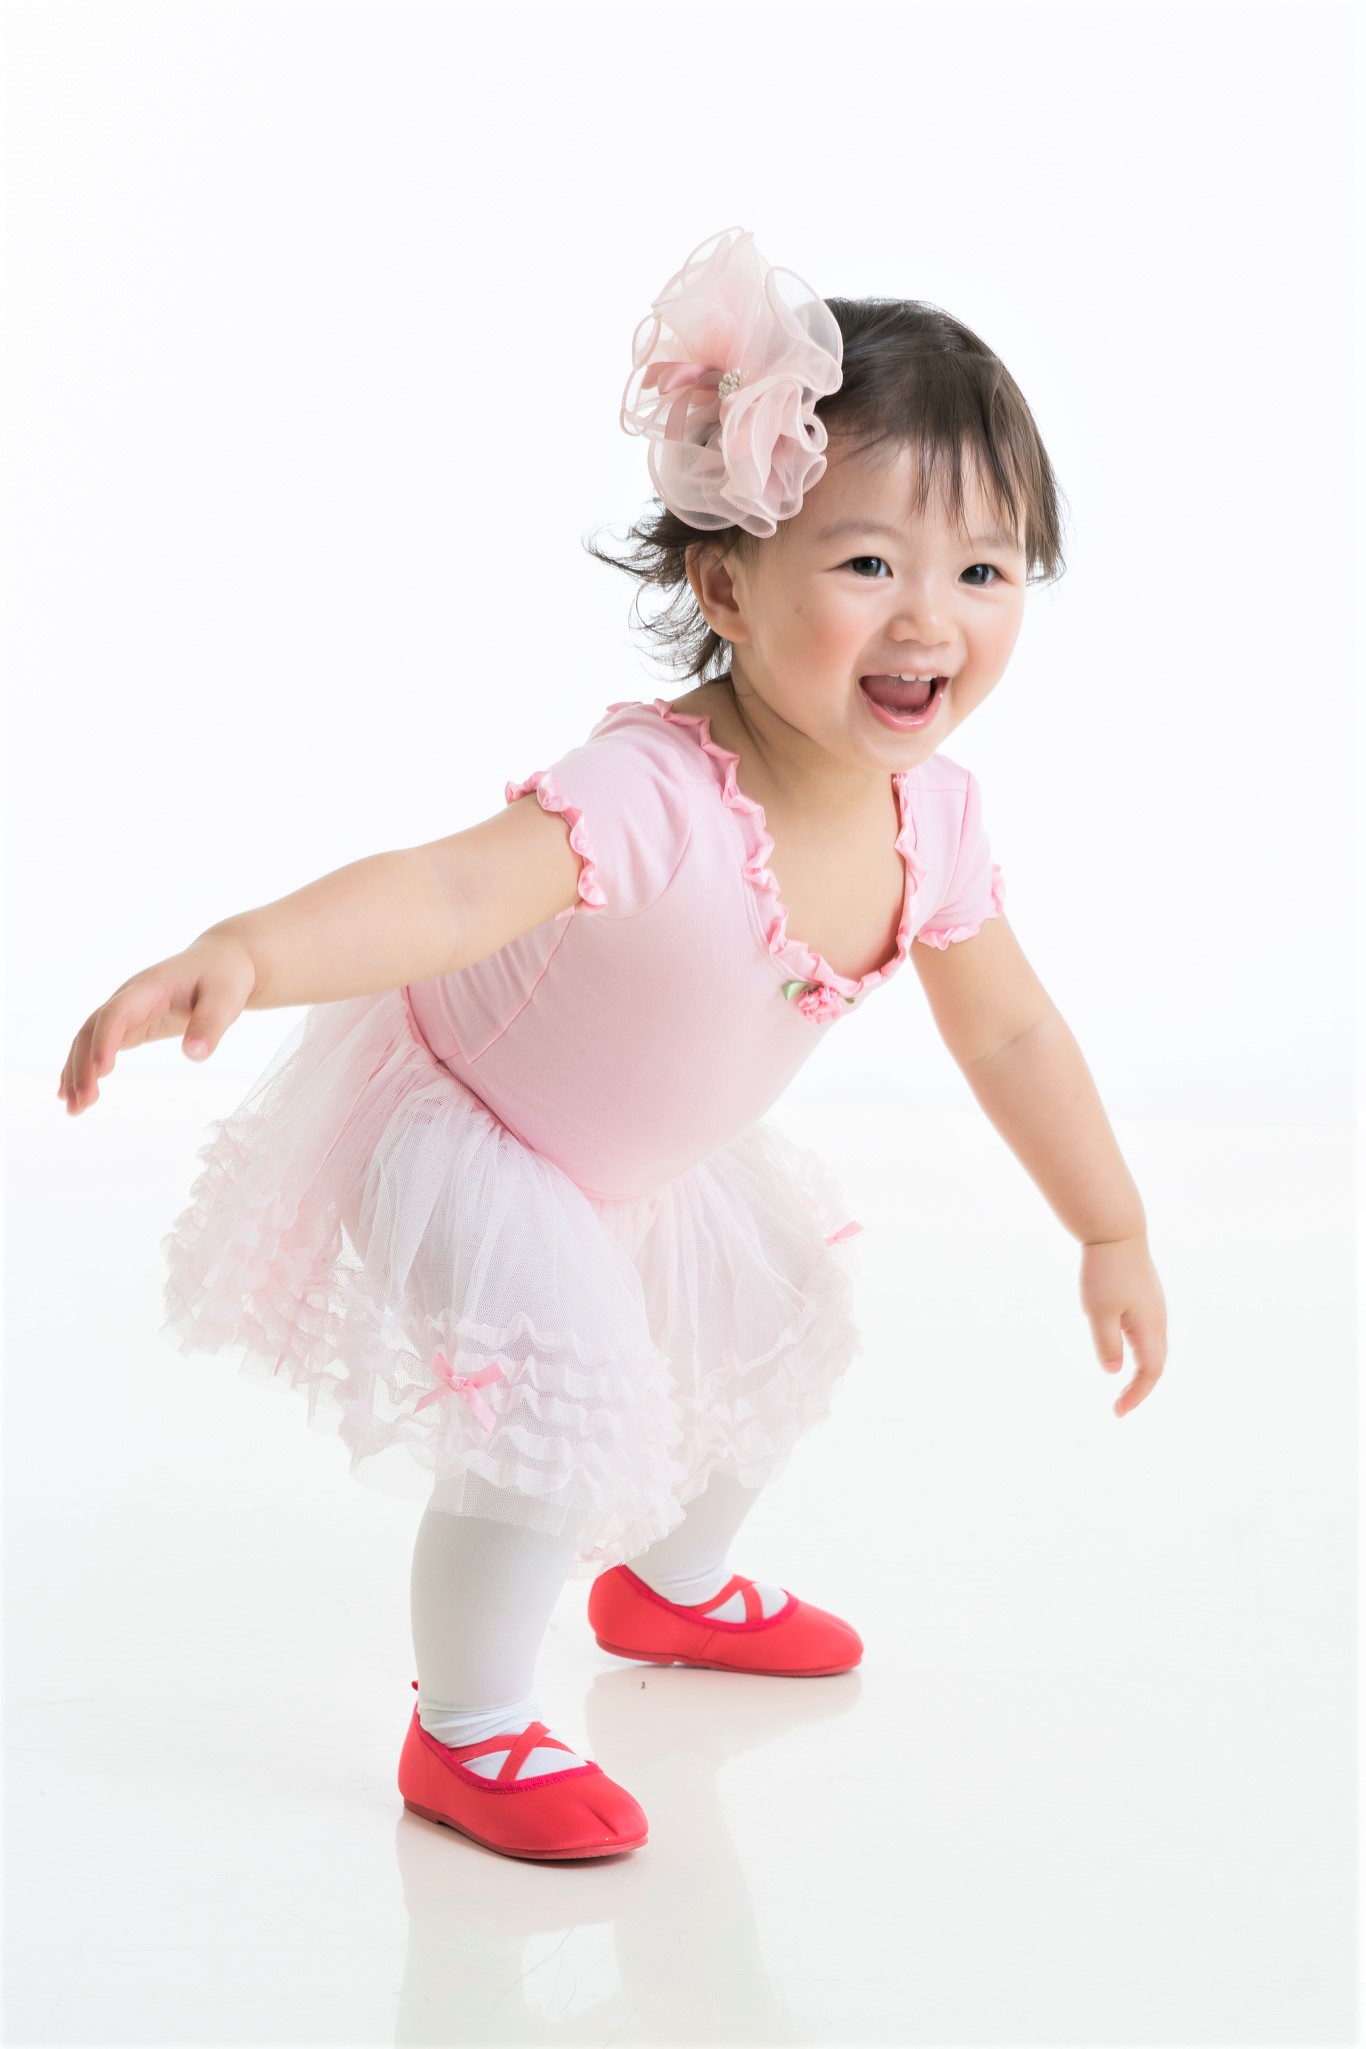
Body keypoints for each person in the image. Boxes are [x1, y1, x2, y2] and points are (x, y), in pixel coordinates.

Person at [56, 225, 1168, 1864]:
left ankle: (668, 1584)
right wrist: (249, 951)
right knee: (549, 1407)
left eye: (983, 573)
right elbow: (447, 890)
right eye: (868, 564)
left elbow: (1006, 1027)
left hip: (649, 1162)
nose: (928, 620)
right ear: (725, 584)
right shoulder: (655, 791)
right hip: (479, 1128)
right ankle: (468, 1723)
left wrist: (1108, 1223)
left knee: (777, 1325)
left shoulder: (932, 820)